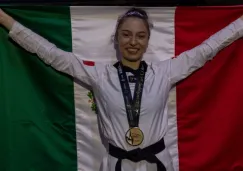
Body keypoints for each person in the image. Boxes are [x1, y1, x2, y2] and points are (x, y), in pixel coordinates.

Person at [1, 7, 243, 171]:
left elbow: (207, 49)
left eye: (140, 36)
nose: (133, 42)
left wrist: (240, 24)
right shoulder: (99, 75)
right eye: (126, 35)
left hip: (157, 163)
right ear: (116, 38)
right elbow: (51, 54)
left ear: (148, 40)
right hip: (116, 164)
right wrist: (5, 20)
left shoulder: (165, 72)